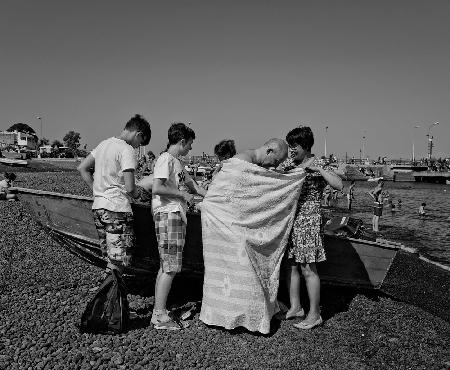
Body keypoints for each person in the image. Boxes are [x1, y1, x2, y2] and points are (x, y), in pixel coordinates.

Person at [199, 138, 304, 334]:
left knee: (234, 271)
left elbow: (249, 197)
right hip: (222, 225)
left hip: (227, 226)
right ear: (269, 150)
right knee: (236, 271)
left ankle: (236, 313)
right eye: (276, 160)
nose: (276, 165)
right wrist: (294, 179)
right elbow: (234, 197)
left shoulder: (248, 163)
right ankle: (236, 314)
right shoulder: (241, 164)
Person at [279, 126, 342, 330]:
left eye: (294, 146)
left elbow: (339, 184)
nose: (291, 150)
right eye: (289, 146)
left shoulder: (319, 162)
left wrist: (319, 170)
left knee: (308, 267)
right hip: (293, 218)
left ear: (305, 146)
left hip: (310, 218)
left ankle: (315, 314)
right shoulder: (291, 163)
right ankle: (296, 307)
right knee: (292, 265)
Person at [77, 114, 151, 273]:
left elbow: (82, 168)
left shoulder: (103, 144)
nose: (138, 147)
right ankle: (111, 295)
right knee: (120, 261)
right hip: (117, 210)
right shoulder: (126, 149)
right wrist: (142, 196)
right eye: (140, 142)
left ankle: (111, 294)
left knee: (112, 258)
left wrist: (98, 191)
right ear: (138, 134)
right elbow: (131, 188)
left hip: (99, 208)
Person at [151, 123, 207, 330]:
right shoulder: (166, 159)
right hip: (169, 214)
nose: (191, 148)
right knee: (171, 266)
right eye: (190, 144)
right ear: (182, 141)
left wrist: (218, 198)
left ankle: (159, 311)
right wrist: (182, 195)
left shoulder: (178, 164)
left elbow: (196, 187)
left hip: (174, 214)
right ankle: (159, 316)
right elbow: (158, 187)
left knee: (167, 265)